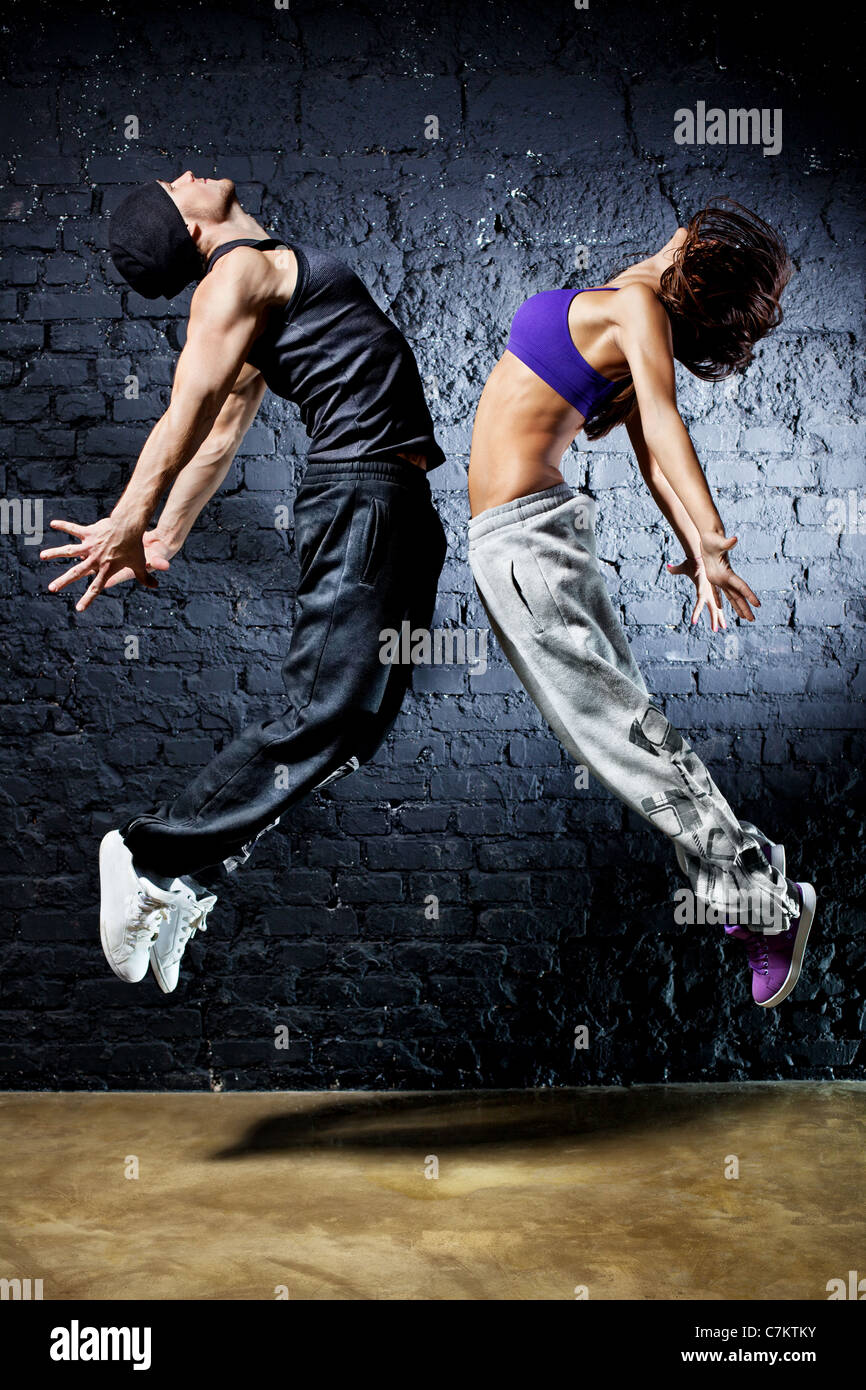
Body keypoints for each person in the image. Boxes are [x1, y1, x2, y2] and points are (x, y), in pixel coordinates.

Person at [40, 171, 447, 993]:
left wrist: (164, 535)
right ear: (189, 227)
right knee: (321, 711)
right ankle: (148, 853)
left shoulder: (266, 272)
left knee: (355, 730)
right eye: (173, 181)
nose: (189, 171)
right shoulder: (232, 279)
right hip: (360, 493)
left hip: (398, 502)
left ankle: (189, 876)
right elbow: (184, 411)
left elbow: (225, 430)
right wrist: (127, 515)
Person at [466, 198, 816, 1008]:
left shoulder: (634, 308)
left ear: (694, 250)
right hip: (519, 545)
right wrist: (694, 548)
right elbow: (648, 453)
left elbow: (664, 427)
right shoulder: (629, 317)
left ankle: (759, 901)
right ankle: (752, 875)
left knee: (619, 740)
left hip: (526, 545)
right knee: (621, 732)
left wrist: (714, 534)